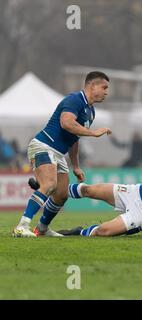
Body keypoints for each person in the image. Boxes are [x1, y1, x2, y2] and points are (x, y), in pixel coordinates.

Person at [12, 71, 112, 237]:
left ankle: (42, 229)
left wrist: (76, 166)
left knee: (61, 194)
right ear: (92, 86)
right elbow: (66, 123)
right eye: (104, 87)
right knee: (49, 184)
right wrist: (93, 133)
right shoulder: (75, 100)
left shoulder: (90, 111)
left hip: (58, 153)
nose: (106, 92)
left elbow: (74, 137)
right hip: (43, 145)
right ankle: (21, 226)